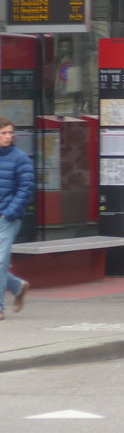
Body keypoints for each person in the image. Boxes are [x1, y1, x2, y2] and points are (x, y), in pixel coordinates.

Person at [0, 117, 34, 320]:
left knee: (0, 262)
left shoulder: (20, 158)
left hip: (8, 218)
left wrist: (10, 212)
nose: (8, 136)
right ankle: (18, 286)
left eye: (10, 133)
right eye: (4, 133)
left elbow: (26, 188)